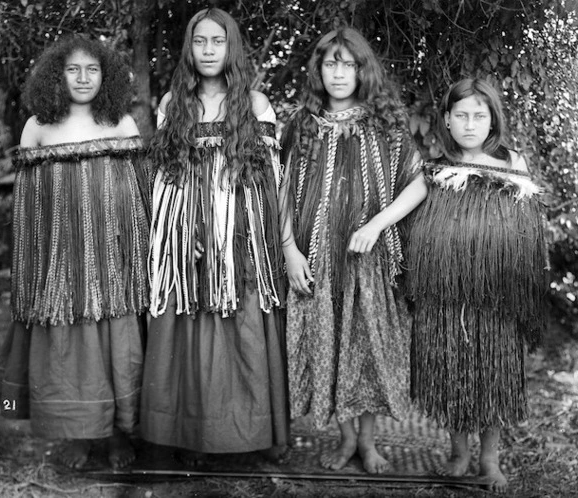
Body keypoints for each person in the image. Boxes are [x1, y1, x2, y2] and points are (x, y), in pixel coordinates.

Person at [0, 35, 150, 469]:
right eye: (73, 69)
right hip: (61, 265)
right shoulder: (38, 125)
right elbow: (27, 208)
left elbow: (140, 198)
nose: (83, 78)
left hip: (112, 263)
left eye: (92, 70)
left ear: (107, 76)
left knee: (120, 350)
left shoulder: (120, 123)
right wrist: (37, 266)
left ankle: (119, 436)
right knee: (67, 354)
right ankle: (78, 437)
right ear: (56, 75)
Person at [140, 7, 288, 464]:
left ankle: (249, 437)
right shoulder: (172, 104)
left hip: (241, 242)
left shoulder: (256, 105)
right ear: (190, 47)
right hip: (188, 243)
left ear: (231, 48)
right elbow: (167, 179)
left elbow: (268, 180)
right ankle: (191, 438)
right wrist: (183, 234)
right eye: (200, 41)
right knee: (187, 334)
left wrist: (237, 233)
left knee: (242, 333)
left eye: (217, 41)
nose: (208, 50)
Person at [279, 27, 426, 474]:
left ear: (363, 70)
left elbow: (418, 184)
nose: (339, 73)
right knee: (330, 344)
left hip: (370, 262)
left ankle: (369, 443)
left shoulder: (386, 122)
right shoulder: (302, 124)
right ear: (318, 70)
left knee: (368, 346)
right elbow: (281, 192)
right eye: (330, 63)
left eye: (348, 63)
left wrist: (379, 224)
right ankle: (344, 441)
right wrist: (289, 250)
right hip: (318, 260)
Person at [405, 78, 547, 492]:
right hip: (445, 296)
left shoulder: (513, 164)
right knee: (452, 372)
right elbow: (409, 214)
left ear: (492, 121)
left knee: (493, 374)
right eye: (461, 115)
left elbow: (529, 229)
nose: (470, 124)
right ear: (447, 121)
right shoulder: (434, 168)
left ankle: (488, 459)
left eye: (479, 116)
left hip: (497, 297)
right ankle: (459, 452)